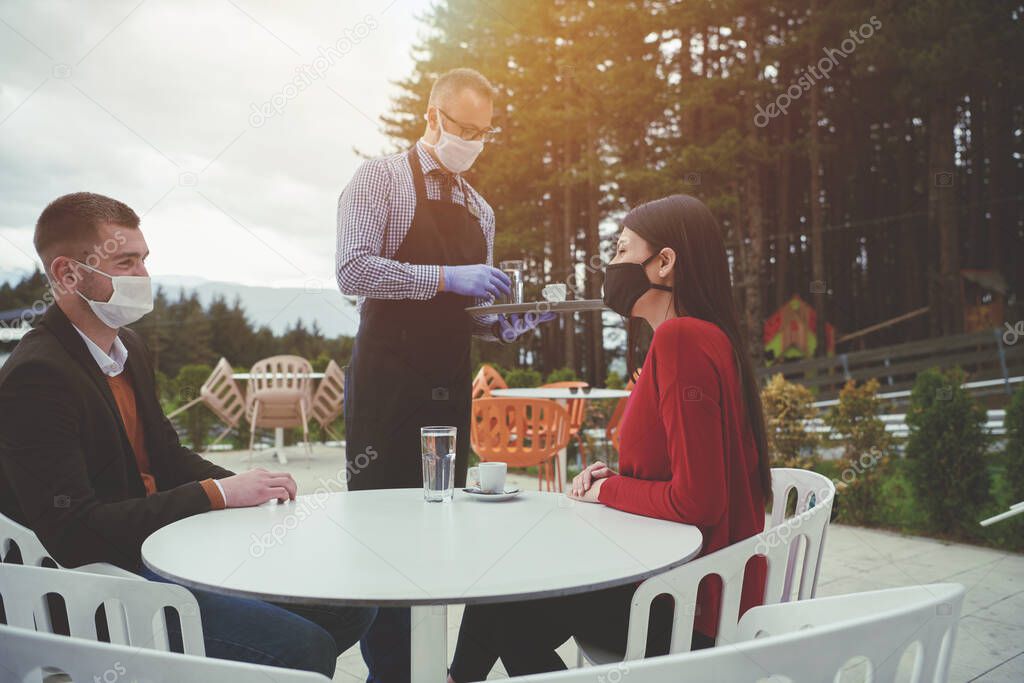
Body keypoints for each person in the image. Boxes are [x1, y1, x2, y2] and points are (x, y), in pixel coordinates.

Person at [0, 192, 376, 679]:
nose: (143, 276)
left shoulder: (127, 347)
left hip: (155, 552)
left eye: (144, 260)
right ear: (68, 274)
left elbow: (168, 455)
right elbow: (75, 533)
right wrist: (216, 495)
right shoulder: (38, 377)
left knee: (351, 606)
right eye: (126, 262)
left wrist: (248, 488)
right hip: (96, 586)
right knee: (300, 647)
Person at [446, 194, 771, 680]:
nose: (612, 265)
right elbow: (689, 473)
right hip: (693, 584)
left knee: (506, 590)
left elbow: (700, 500)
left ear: (664, 263)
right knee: (510, 593)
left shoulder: (681, 340)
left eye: (621, 250)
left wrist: (608, 490)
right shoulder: (704, 336)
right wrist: (620, 480)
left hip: (688, 606)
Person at [336, 67, 552, 681]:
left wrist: (504, 325)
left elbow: (470, 314)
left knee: (441, 523)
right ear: (432, 117)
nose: (473, 141)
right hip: (385, 388)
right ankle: (392, 673)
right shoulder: (379, 181)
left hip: (448, 389)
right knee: (384, 535)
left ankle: (446, 665)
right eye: (463, 128)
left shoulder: (480, 210)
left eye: (485, 132)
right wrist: (444, 276)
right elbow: (353, 272)